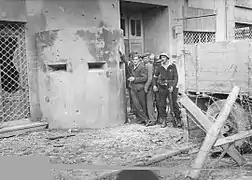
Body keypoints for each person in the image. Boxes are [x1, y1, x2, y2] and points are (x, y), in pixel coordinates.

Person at [153, 52, 182, 128]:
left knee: (174, 103)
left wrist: (172, 86)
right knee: (162, 104)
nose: (162, 59)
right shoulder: (160, 67)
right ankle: (164, 120)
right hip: (162, 87)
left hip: (172, 87)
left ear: (167, 58)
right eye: (161, 57)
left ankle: (178, 119)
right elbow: (155, 77)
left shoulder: (172, 66)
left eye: (164, 57)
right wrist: (155, 85)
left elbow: (176, 77)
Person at [128, 53, 149, 124]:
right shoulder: (131, 66)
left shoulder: (142, 67)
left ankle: (146, 119)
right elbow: (125, 62)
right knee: (136, 104)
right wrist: (122, 56)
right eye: (134, 59)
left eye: (136, 59)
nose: (135, 61)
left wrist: (134, 79)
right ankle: (142, 118)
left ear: (139, 60)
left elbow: (145, 78)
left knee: (142, 105)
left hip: (140, 88)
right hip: (133, 88)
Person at [142, 53, 157, 126]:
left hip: (150, 87)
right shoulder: (145, 65)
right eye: (143, 58)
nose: (144, 59)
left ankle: (153, 119)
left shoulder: (149, 66)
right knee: (148, 104)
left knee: (150, 104)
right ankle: (151, 118)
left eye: (145, 58)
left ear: (148, 58)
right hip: (148, 87)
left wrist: (146, 86)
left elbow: (150, 78)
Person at [152, 55, 163, 125]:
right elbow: (153, 78)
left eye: (160, 62)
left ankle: (162, 117)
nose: (158, 64)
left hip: (163, 87)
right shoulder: (153, 68)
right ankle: (159, 117)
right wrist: (154, 85)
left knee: (162, 103)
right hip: (157, 88)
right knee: (158, 103)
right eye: (157, 62)